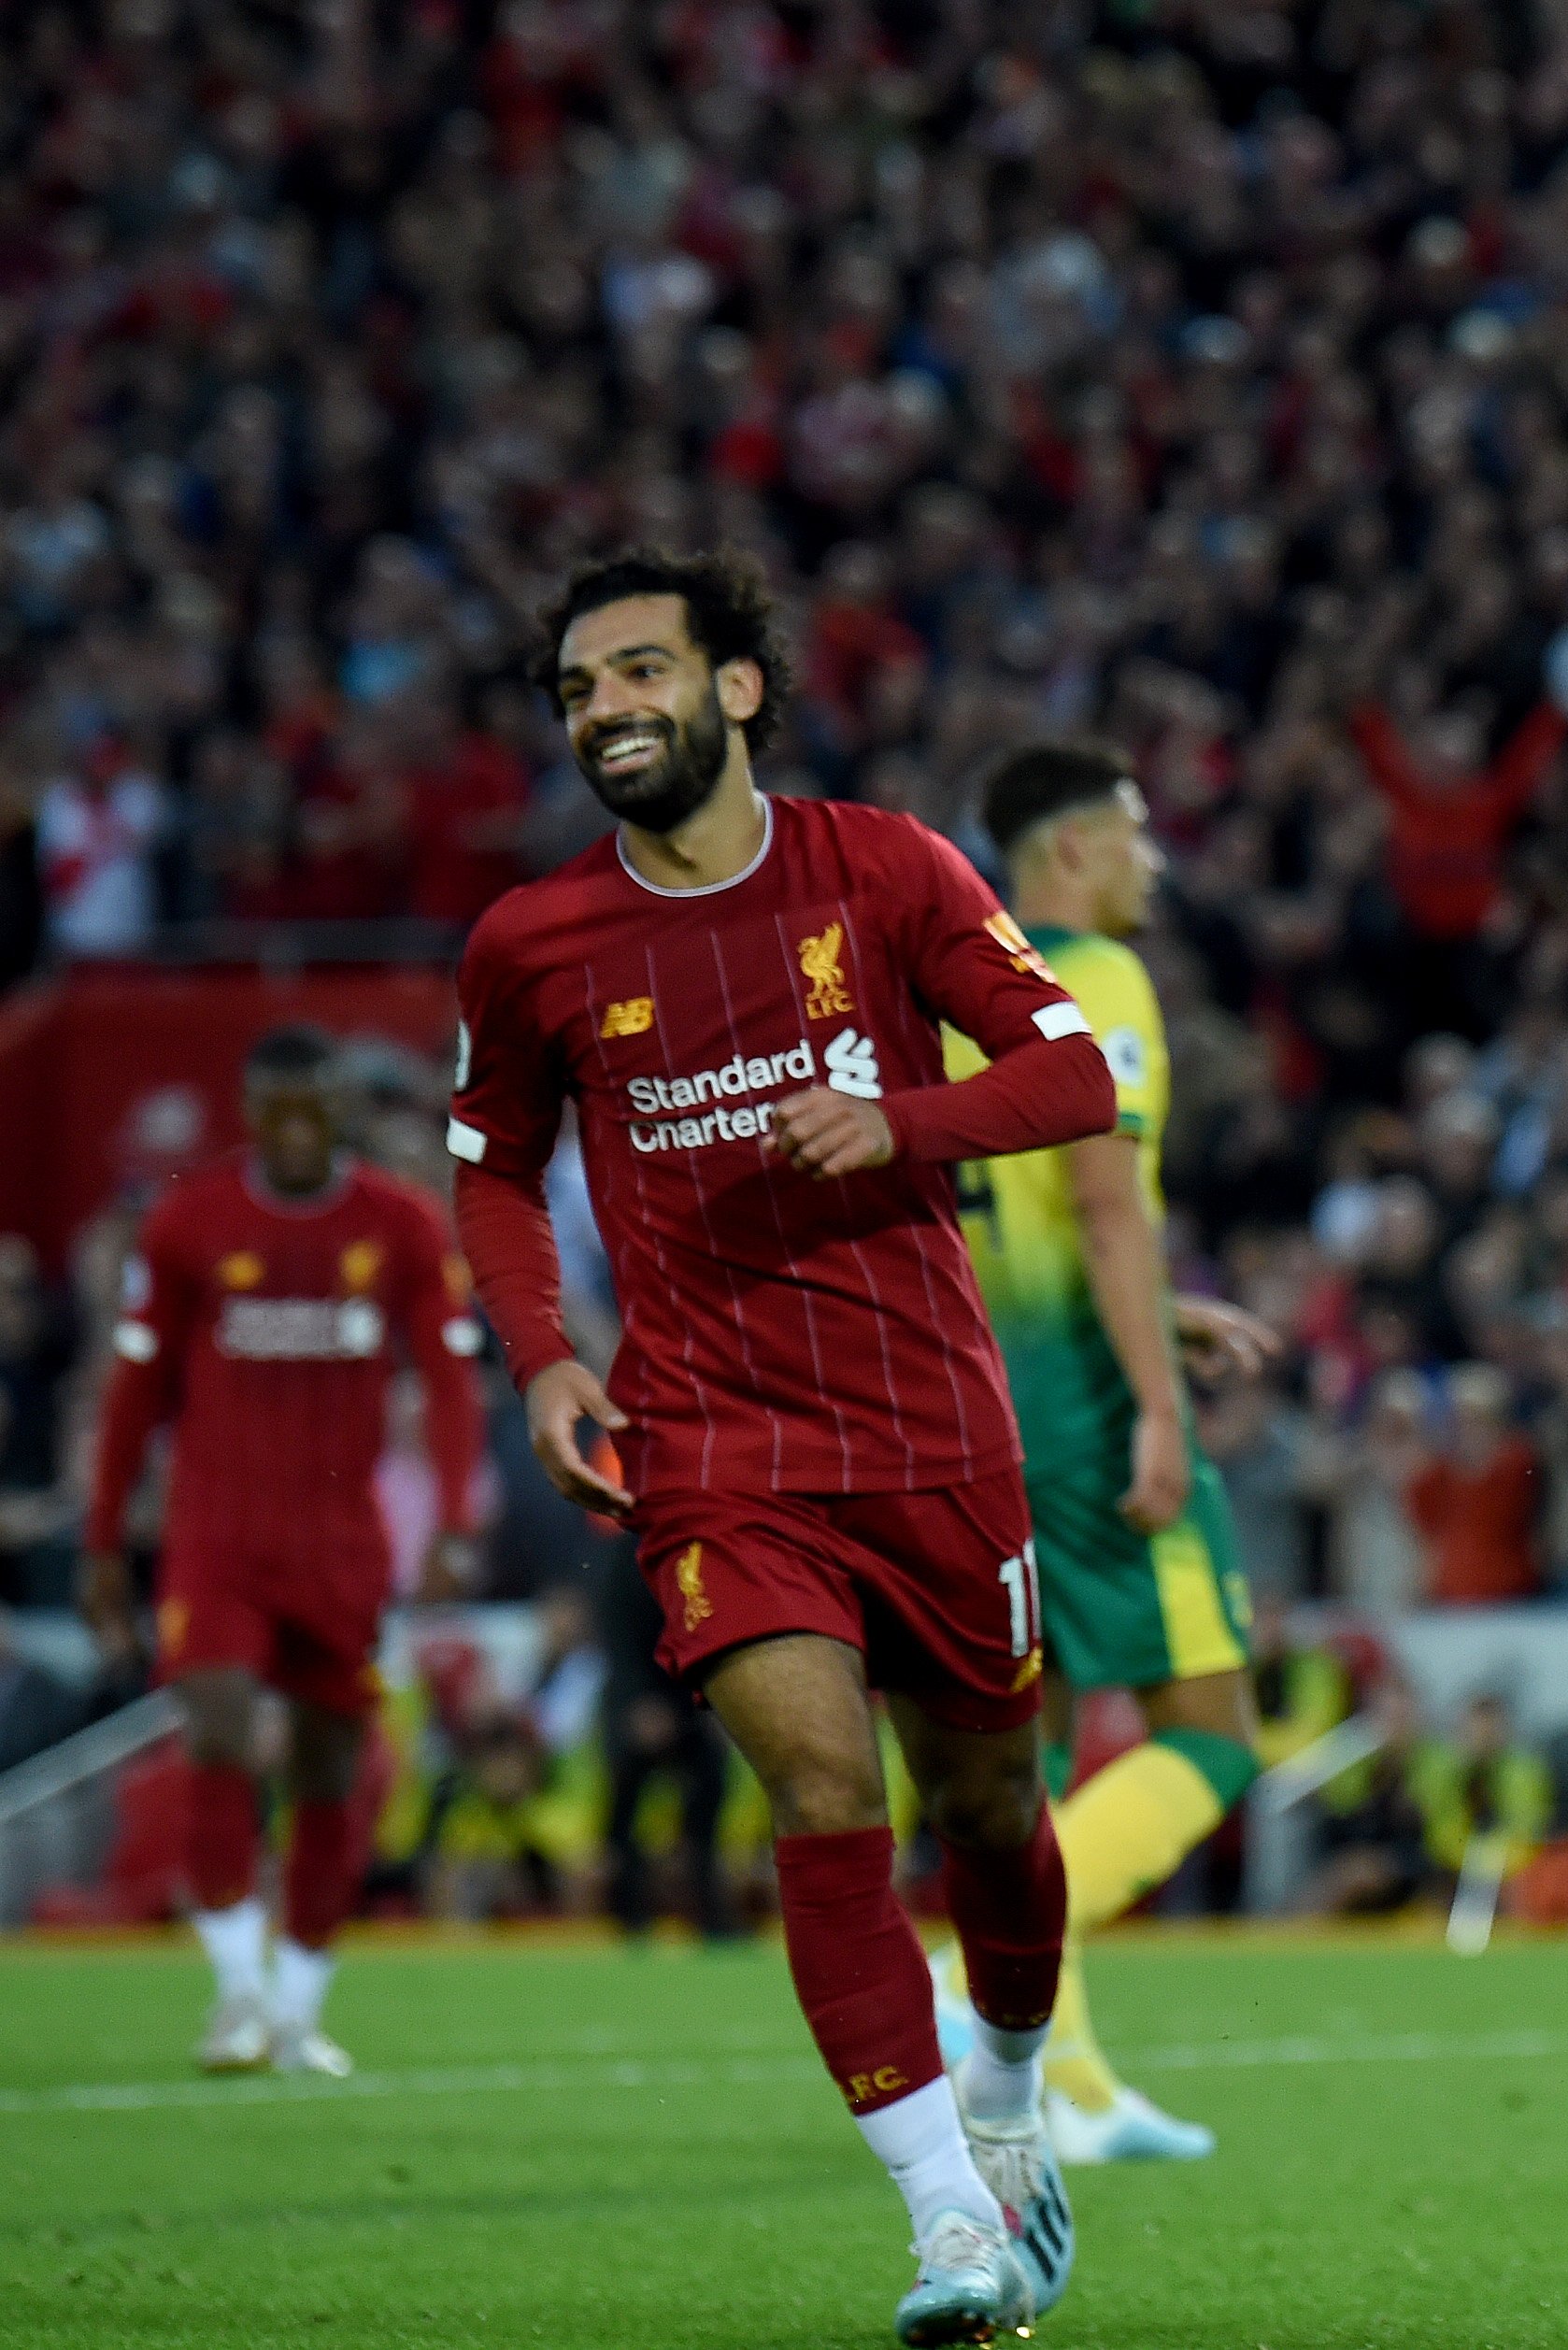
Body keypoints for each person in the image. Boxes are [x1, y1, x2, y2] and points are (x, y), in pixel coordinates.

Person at [448, 547, 1116, 2345]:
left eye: (640, 672)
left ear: (736, 687)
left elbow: (1072, 1077)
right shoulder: (531, 944)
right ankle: (947, 2221)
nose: (607, 711)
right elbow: (493, 1170)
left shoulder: (885, 868)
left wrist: (900, 1123)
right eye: (578, 690)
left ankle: (1005, 2098)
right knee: (824, 1792)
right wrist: (542, 1360)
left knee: (990, 1810)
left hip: (929, 1429)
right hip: (713, 1444)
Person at [940, 738, 1278, 2166]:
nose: (1154, 860)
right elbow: (1097, 1199)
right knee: (1209, 1729)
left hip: (969, 1405)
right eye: (1135, 833)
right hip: (1082, 1405)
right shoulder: (1097, 974)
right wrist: (1152, 1397)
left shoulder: (942, 986)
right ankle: (975, 1978)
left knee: (1028, 1748)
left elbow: (995, 1204)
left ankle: (1058, 2077)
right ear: (1071, 847)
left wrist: (1161, 1308)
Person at [80, 1022, 484, 2076]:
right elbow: (134, 1393)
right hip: (217, 1536)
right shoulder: (191, 1222)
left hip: (341, 1545)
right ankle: (236, 1994)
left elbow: (449, 1380)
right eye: (280, 1111)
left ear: (342, 1110)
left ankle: (300, 2004)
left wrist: (454, 1518)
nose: (299, 1130)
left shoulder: (399, 1222)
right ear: (251, 1113)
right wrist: (100, 1539)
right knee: (217, 1728)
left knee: (330, 1764)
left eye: (316, 1110)